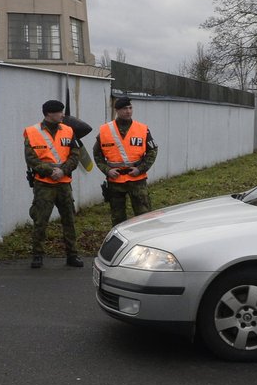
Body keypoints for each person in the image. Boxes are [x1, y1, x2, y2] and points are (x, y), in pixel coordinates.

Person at [23, 99, 83, 269]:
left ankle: (72, 255)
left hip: (64, 182)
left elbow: (75, 154)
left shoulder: (69, 131)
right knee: (40, 220)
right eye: (60, 112)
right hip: (44, 184)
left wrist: (63, 171)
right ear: (49, 113)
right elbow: (31, 159)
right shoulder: (32, 132)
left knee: (69, 219)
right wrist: (50, 172)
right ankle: (37, 255)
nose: (63, 115)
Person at [94, 96, 158, 227]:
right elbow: (97, 154)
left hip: (137, 179)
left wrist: (140, 169)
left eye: (130, 108)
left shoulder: (142, 129)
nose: (128, 111)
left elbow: (152, 150)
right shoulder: (105, 130)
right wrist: (107, 170)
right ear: (117, 110)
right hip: (115, 181)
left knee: (144, 215)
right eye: (124, 109)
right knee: (118, 218)